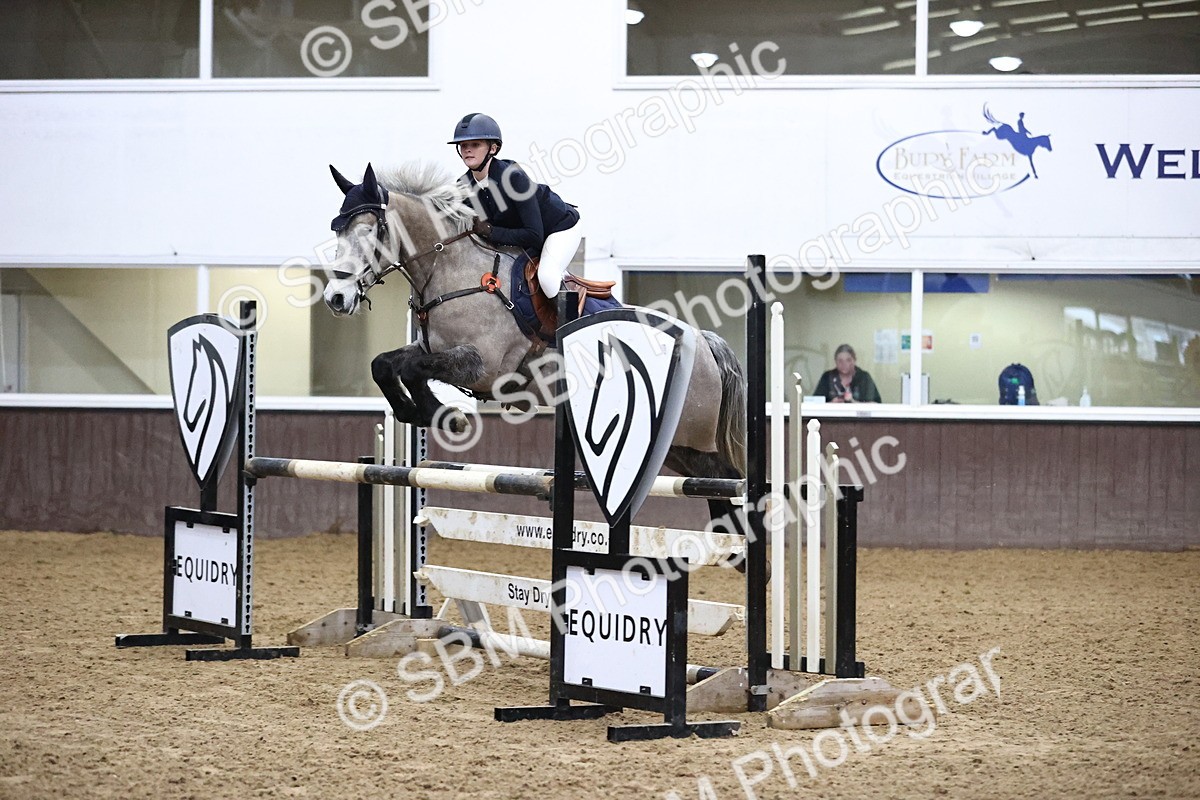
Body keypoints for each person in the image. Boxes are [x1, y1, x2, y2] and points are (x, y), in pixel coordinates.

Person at [449, 112, 581, 299]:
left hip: (559, 227)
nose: (467, 150)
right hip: (524, 235)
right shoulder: (464, 186)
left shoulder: (513, 178)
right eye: (463, 145)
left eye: (475, 144)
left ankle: (569, 324)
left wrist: (491, 232)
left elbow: (534, 235)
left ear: (493, 149)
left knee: (547, 277)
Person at [814, 344, 882, 403]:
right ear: (835, 362)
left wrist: (854, 403)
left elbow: (876, 404)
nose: (844, 364)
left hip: (858, 418)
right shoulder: (827, 377)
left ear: (854, 360)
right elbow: (814, 403)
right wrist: (831, 404)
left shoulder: (864, 378)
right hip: (832, 417)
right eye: (840, 361)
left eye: (848, 360)